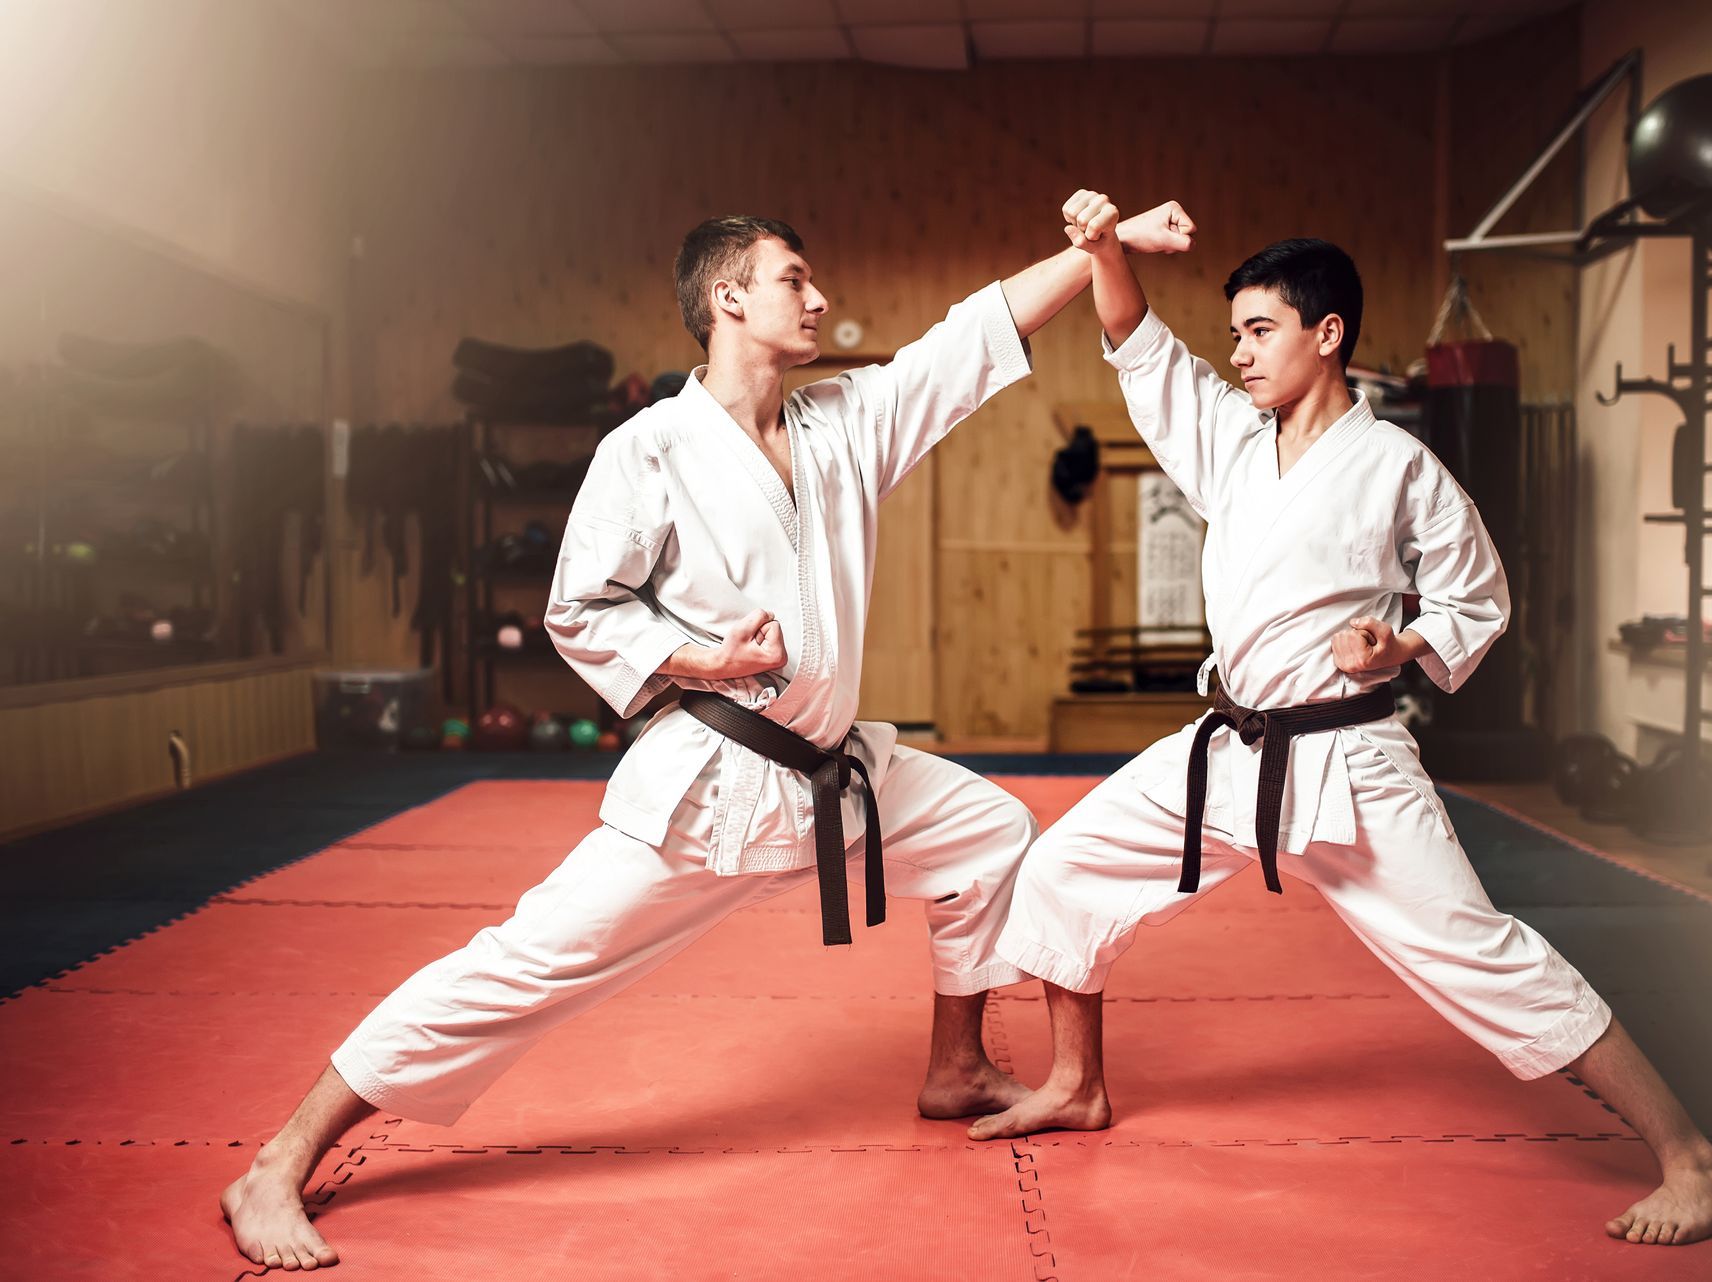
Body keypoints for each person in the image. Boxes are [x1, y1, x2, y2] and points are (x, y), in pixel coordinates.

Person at [219, 203, 1194, 1271]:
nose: (819, 299)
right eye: (796, 278)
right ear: (730, 298)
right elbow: (579, 608)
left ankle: (955, 1064)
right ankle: (281, 1158)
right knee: (522, 967)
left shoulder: (843, 424)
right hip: (714, 786)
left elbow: (970, 338)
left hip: (838, 772)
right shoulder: (648, 449)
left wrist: (1097, 250)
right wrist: (700, 661)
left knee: (991, 831)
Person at [973, 190, 1712, 1248]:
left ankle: (1698, 1163)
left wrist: (1405, 646)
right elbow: (1138, 344)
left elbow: (1477, 595)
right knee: (1066, 870)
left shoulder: (1398, 468)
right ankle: (1076, 1082)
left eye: (1260, 330)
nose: (1240, 354)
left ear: (1326, 332)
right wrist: (1103, 249)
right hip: (1228, 747)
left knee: (1485, 956)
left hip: (1348, 762)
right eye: (1235, 333)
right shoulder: (1231, 448)